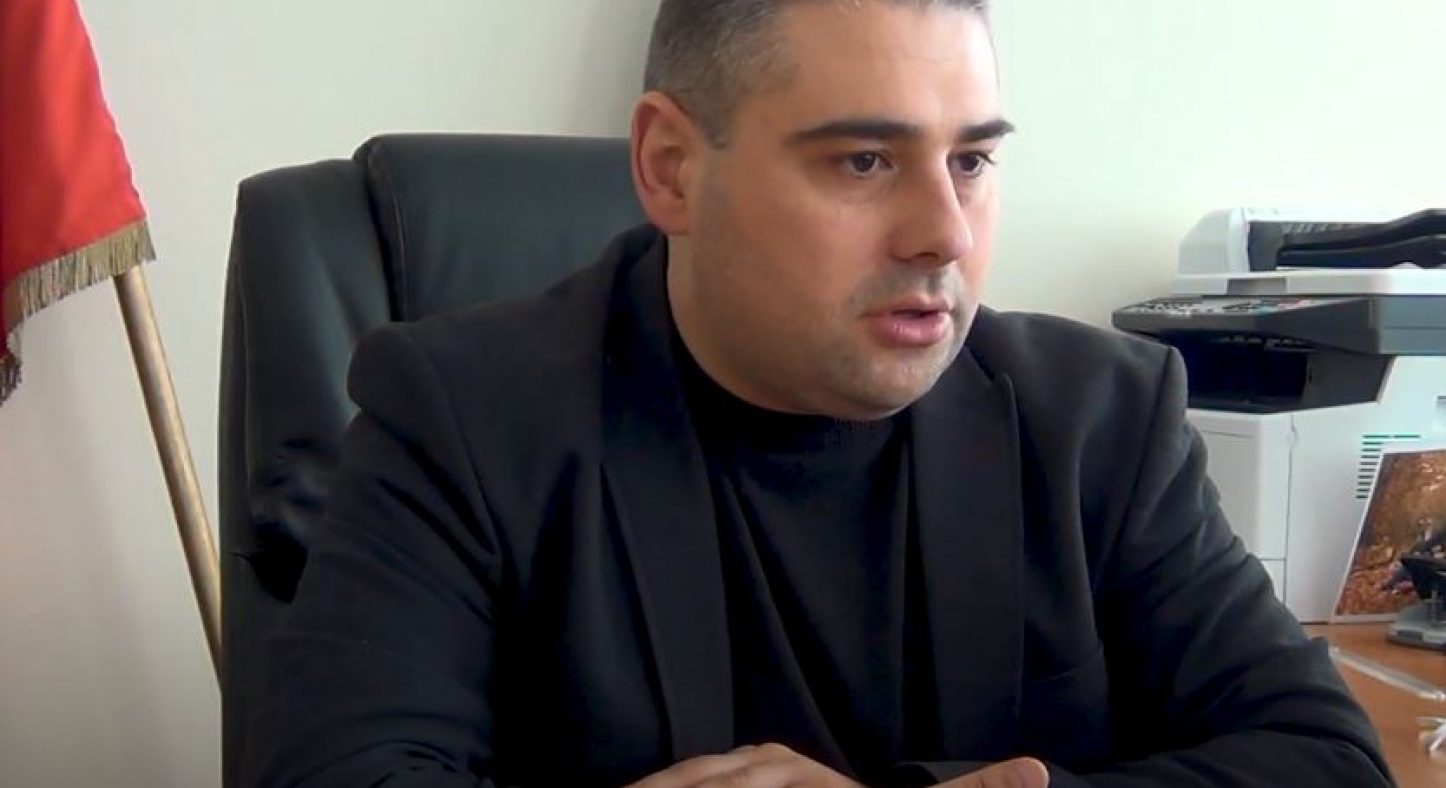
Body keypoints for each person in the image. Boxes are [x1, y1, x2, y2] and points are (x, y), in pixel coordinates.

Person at [251, 1, 1393, 786]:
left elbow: (1324, 757)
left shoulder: (1101, 417)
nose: (944, 233)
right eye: (864, 160)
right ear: (670, 167)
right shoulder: (460, 416)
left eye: (972, 160)